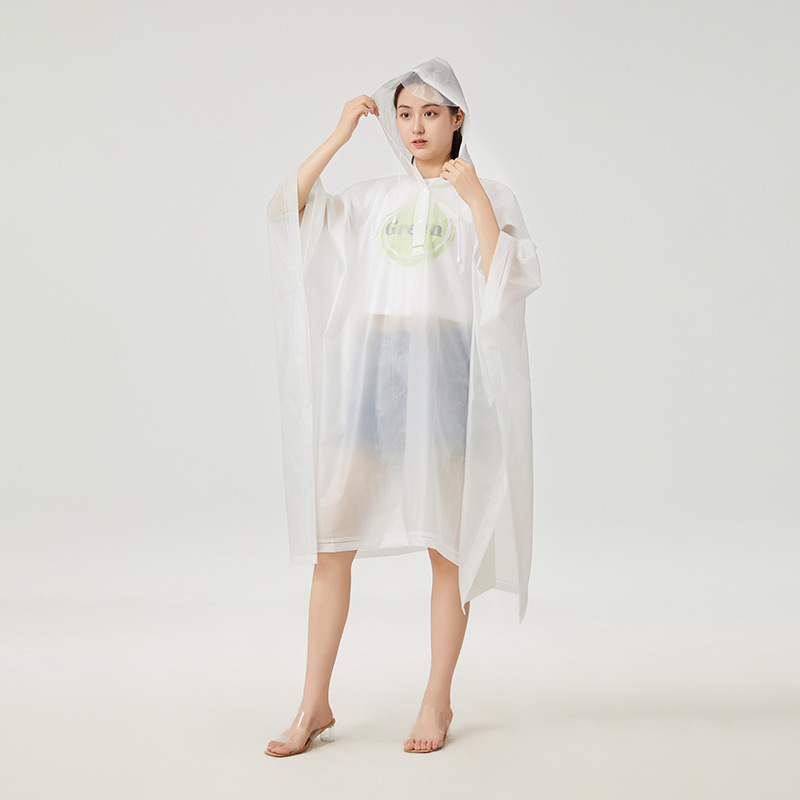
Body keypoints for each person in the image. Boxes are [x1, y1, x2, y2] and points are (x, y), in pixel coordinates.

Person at [265, 57, 542, 756]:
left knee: (449, 545)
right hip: (373, 375)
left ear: (457, 119)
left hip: (445, 375)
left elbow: (506, 280)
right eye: (406, 113)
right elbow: (287, 210)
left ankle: (436, 699)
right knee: (333, 542)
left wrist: (474, 198)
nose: (416, 126)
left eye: (431, 113)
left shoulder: (489, 194)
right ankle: (313, 703)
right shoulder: (370, 199)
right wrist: (337, 135)